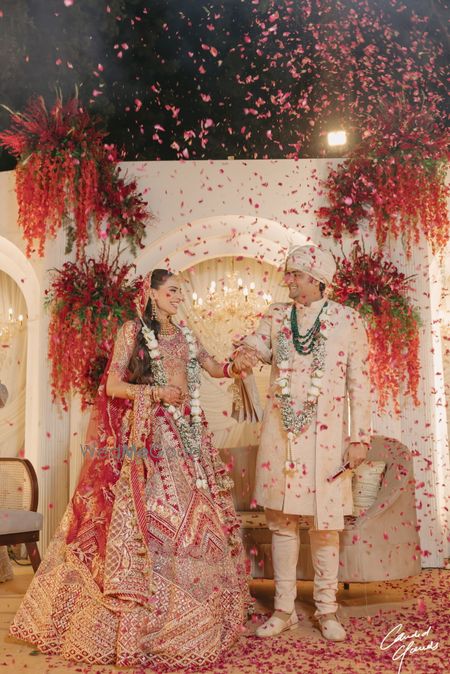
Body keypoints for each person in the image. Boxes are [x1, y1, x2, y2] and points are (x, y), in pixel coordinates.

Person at [10, 269, 251, 670]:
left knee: (198, 522)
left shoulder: (186, 334)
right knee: (155, 521)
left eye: (180, 292)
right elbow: (112, 386)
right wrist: (157, 392)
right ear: (152, 294)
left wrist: (236, 367)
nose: (179, 297)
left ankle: (195, 621)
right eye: (172, 291)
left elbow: (213, 367)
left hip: (189, 436)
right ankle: (145, 619)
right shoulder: (132, 332)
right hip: (152, 436)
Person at [231, 244, 371, 642]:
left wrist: (359, 437)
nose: (287, 280)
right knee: (282, 523)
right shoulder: (277, 315)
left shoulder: (347, 320)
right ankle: (284, 610)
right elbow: (256, 346)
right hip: (282, 436)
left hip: (326, 440)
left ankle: (327, 610)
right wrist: (243, 356)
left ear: (316, 279)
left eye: (295, 274)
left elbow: (360, 384)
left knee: (325, 526)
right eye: (288, 273)